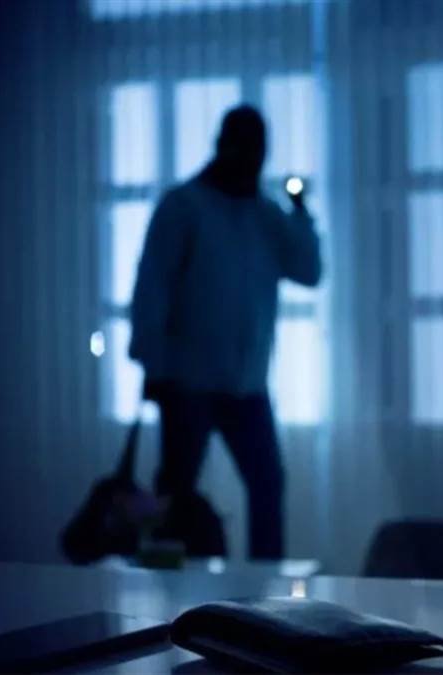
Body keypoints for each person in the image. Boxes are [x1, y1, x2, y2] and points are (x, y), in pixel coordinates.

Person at [129, 105, 321, 559]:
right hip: (188, 381)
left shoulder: (265, 214)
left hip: (246, 384)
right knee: (177, 496)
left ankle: (266, 591)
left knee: (266, 485)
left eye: (257, 151)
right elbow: (153, 287)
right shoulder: (184, 207)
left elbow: (309, 271)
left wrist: (300, 211)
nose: (251, 159)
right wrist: (154, 365)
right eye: (244, 148)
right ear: (223, 146)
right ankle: (170, 587)